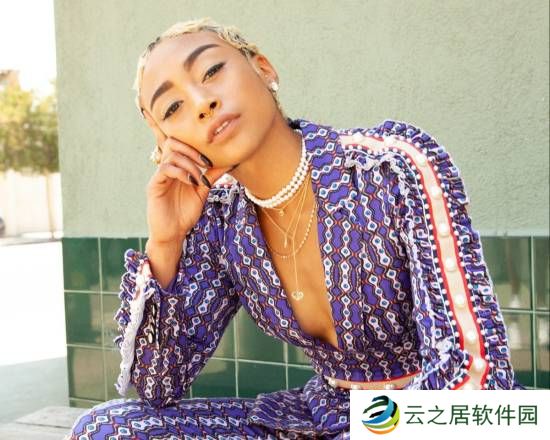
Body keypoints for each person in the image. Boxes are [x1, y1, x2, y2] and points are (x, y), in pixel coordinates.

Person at [67, 16, 525, 440]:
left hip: (452, 418)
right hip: (323, 416)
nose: (203, 103)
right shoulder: (223, 219)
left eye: (211, 71)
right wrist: (166, 241)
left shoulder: (390, 168)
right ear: (167, 142)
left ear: (263, 69)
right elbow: (158, 383)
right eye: (172, 108)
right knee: (105, 429)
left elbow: (474, 377)